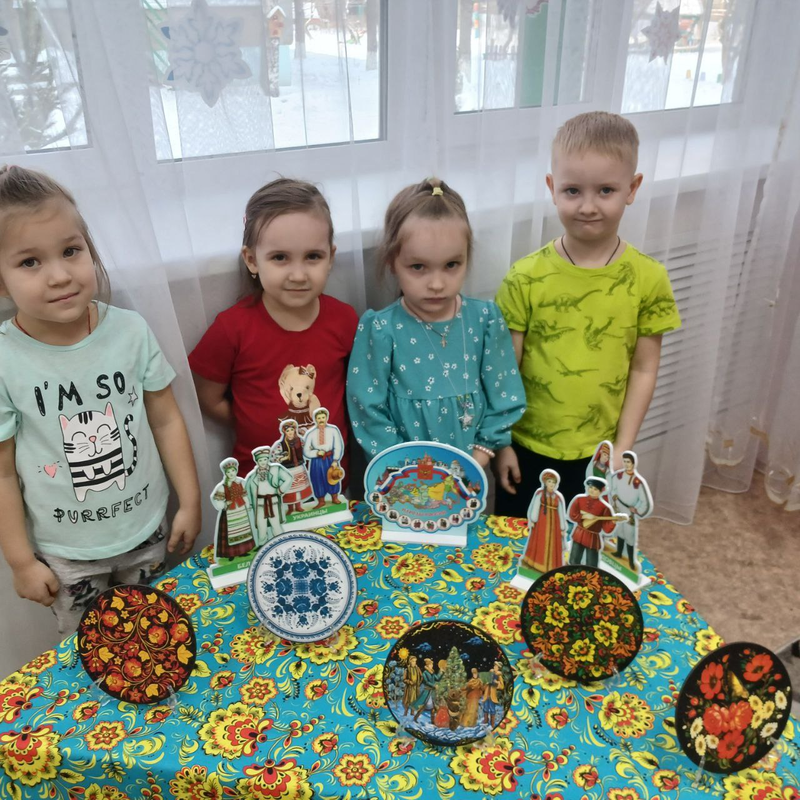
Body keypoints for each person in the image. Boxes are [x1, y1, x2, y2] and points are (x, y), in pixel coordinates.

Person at [0, 165, 201, 635]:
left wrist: (190, 501)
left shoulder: (130, 331)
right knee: (94, 649)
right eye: (30, 262)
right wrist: (20, 561)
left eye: (71, 251)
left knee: (152, 634)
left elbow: (166, 420)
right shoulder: (5, 359)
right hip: (66, 555)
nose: (59, 276)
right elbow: (3, 470)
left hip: (148, 532)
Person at [494, 112, 682, 514]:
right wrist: (501, 442)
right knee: (518, 546)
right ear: (552, 188)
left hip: (601, 455)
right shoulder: (524, 277)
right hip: (525, 449)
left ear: (632, 188)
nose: (588, 206)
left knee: (585, 546)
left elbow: (644, 369)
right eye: (573, 190)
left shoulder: (650, 279)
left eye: (606, 190)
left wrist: (623, 449)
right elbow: (505, 372)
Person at [347, 178, 525, 470]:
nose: (437, 284)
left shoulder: (484, 320)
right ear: (393, 262)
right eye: (418, 267)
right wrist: (409, 470)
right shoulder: (380, 330)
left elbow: (504, 394)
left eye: (451, 265)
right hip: (406, 477)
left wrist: (481, 454)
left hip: (472, 469)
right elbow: (368, 410)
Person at [189, 178, 359, 477]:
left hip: (331, 479)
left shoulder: (345, 320)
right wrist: (250, 420)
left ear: (330, 257)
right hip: (260, 483)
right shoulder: (231, 328)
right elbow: (208, 397)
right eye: (280, 258)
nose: (298, 275)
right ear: (252, 260)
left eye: (313, 257)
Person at [610, 450, 652, 570]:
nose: (626, 464)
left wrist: (637, 510)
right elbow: (612, 488)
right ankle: (619, 552)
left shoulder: (638, 482)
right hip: (619, 507)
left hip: (629, 511)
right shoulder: (618, 476)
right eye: (624, 461)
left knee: (629, 535)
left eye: (628, 462)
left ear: (633, 463)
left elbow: (645, 501)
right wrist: (614, 497)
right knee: (619, 531)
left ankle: (630, 560)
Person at [567, 477, 623, 568]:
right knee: (574, 560)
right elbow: (572, 514)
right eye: (591, 488)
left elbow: (606, 528)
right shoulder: (579, 499)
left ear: (601, 492)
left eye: (595, 489)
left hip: (592, 538)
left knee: (592, 564)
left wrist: (613, 521)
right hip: (579, 533)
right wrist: (584, 516)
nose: (592, 490)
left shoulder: (604, 507)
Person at [244, 446, 293, 545]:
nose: (263, 462)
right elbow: (247, 491)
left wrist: (280, 490)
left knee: (276, 524)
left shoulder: (276, 469)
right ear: (257, 461)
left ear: (268, 459)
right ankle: (262, 545)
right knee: (261, 526)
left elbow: (288, 478)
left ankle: (281, 543)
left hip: (273, 502)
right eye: (260, 460)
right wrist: (249, 504)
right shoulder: (252, 476)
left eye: (265, 459)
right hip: (259, 504)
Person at [521, 470, 567, 575]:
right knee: (540, 540)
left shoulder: (558, 498)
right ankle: (535, 564)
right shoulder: (540, 494)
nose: (551, 484)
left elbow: (561, 513)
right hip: (542, 522)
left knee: (553, 544)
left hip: (554, 524)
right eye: (549, 481)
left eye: (553, 482)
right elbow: (535, 507)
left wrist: (562, 528)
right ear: (545, 482)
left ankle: (551, 566)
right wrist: (533, 520)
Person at [210, 458, 256, 558]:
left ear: (236, 471)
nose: (231, 473)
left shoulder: (241, 482)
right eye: (228, 472)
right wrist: (224, 504)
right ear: (225, 473)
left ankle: (244, 550)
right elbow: (217, 500)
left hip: (241, 510)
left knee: (243, 529)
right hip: (229, 512)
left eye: (233, 470)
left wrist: (248, 505)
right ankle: (231, 554)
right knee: (230, 532)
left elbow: (245, 495)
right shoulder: (222, 486)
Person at [302, 407, 344, 507]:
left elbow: (338, 445)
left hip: (330, 459)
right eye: (319, 418)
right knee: (317, 479)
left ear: (326, 418)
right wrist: (316, 453)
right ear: (315, 419)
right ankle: (321, 501)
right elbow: (306, 450)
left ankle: (334, 497)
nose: (321, 420)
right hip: (317, 461)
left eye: (323, 417)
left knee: (332, 475)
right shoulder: (311, 433)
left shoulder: (333, 430)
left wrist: (335, 460)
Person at [272, 419, 313, 514]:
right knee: (290, 489)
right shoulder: (280, 445)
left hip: (299, 467)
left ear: (295, 430)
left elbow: (307, 449)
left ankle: (298, 506)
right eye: (288, 430)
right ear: (284, 432)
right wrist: (282, 458)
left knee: (300, 488)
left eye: (292, 430)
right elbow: (273, 458)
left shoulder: (300, 441)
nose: (290, 432)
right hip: (288, 470)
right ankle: (290, 508)